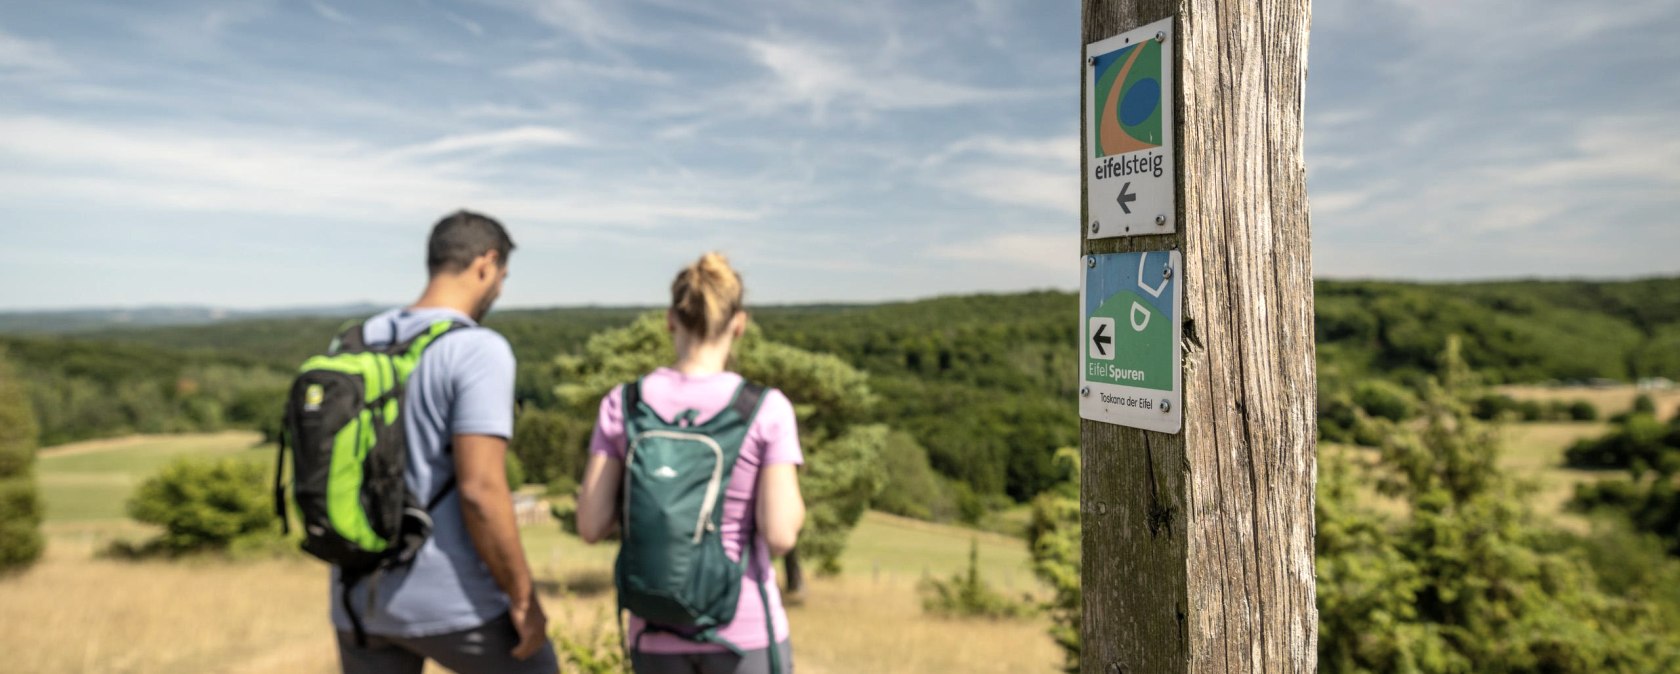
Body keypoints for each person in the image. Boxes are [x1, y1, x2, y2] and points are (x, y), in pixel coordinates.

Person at [333, 210, 558, 674]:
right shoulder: (478, 348)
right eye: (502, 277)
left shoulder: (356, 341)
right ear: (486, 263)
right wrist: (523, 599)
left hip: (357, 599)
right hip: (455, 600)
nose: (498, 288)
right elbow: (480, 490)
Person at [576, 252, 805, 674]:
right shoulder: (765, 409)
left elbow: (590, 525)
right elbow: (780, 534)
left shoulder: (624, 403)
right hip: (744, 630)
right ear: (740, 323)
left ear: (670, 319)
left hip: (653, 631)